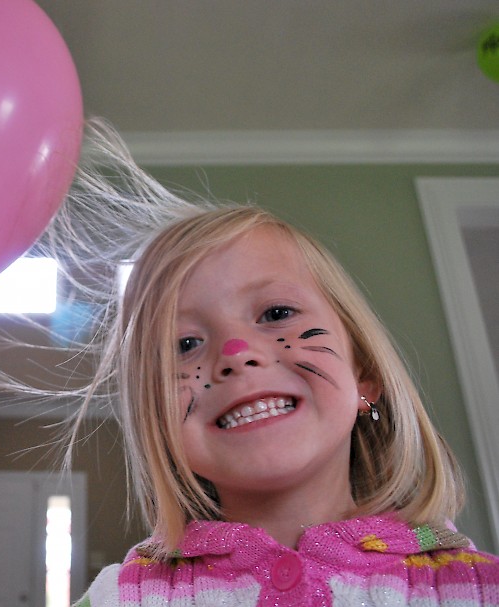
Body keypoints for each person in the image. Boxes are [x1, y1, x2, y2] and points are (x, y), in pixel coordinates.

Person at [38, 121, 499, 606]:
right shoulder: (119, 598)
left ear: (364, 375)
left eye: (276, 314)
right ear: (159, 420)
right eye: (185, 343)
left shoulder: (475, 590)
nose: (236, 354)